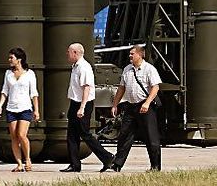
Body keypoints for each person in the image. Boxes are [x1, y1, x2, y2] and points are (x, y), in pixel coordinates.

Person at [60, 42, 116, 173]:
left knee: (85, 134)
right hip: (75, 102)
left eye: (69, 52)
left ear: (75, 53)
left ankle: (107, 157)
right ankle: (75, 164)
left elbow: (86, 88)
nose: (67, 54)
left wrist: (82, 107)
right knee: (72, 135)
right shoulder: (75, 66)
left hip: (83, 103)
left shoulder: (84, 67)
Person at [109, 44, 162, 172]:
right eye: (130, 54)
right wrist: (115, 104)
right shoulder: (127, 69)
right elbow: (122, 88)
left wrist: (147, 103)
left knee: (151, 137)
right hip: (130, 106)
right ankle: (117, 163)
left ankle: (155, 166)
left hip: (145, 105)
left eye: (132, 54)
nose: (130, 56)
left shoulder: (149, 69)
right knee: (124, 136)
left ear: (140, 54)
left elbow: (155, 88)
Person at [0, 47, 39, 172]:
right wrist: (0, 106)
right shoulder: (8, 74)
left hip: (25, 108)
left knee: (21, 135)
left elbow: (34, 93)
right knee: (14, 137)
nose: (9, 60)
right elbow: (5, 91)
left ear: (19, 59)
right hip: (11, 108)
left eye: (11, 58)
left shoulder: (30, 74)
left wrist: (36, 110)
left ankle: (28, 159)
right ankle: (19, 163)